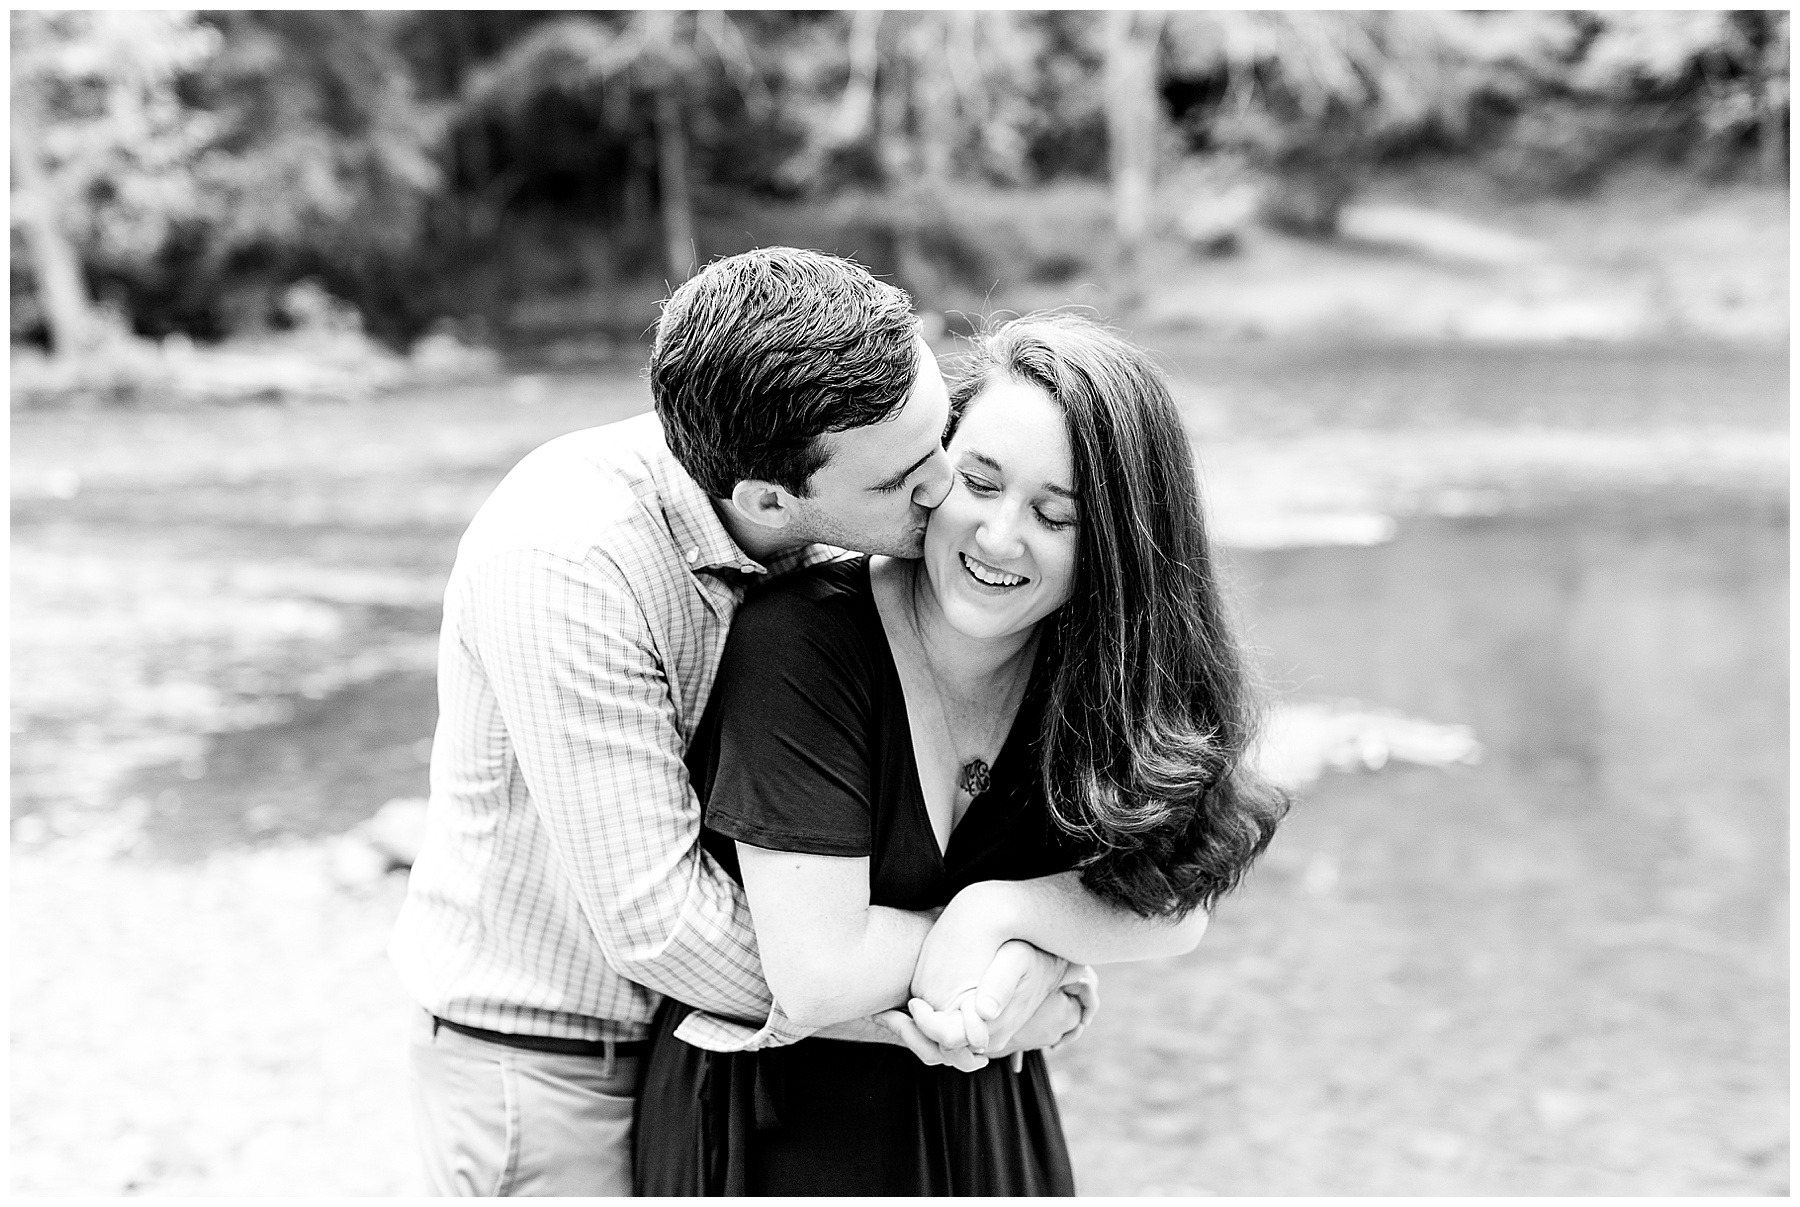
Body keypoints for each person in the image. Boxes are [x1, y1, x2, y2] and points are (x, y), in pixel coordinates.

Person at [388, 248, 1076, 1195]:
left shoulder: (836, 465)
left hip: (709, 1056)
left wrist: (1036, 943)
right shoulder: (565, 557)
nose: (944, 489)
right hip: (553, 1060)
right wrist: (971, 981)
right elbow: (660, 922)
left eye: (941, 438)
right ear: (767, 500)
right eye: (904, 478)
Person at [633, 312, 1292, 1196]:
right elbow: (819, 974)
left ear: (1118, 548)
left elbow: (1175, 902)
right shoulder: (801, 640)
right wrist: (1037, 971)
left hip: (987, 1123)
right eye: (978, 483)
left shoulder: (1104, 670)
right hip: (778, 1131)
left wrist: (1005, 916)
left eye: (1054, 516)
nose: (998, 537)